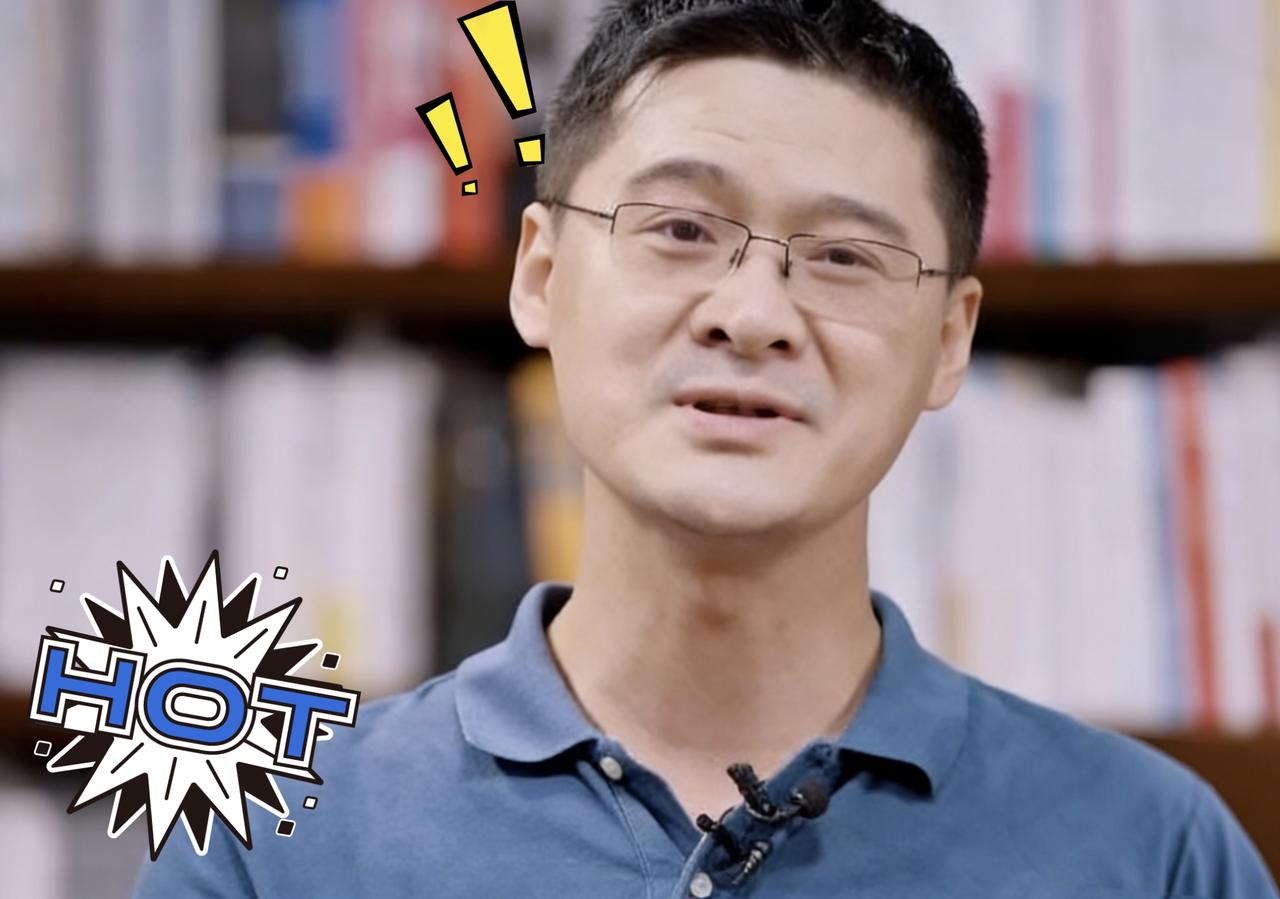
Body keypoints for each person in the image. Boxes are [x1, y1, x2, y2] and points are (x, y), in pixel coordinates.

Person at [135, 0, 1279, 895]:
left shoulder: (1148, 846)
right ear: (539, 275)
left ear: (947, 339)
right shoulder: (276, 838)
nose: (752, 314)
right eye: (679, 229)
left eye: (844, 257)